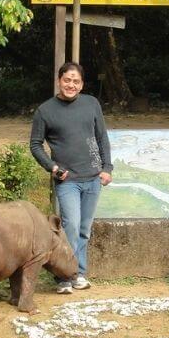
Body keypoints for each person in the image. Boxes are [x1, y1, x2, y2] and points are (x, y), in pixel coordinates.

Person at [30, 62, 113, 294]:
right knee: (71, 226)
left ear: (82, 84)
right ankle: (64, 276)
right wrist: (52, 168)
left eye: (76, 81)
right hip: (67, 180)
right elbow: (35, 145)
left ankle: (79, 273)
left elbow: (102, 137)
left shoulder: (91, 104)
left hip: (93, 178)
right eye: (67, 80)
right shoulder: (45, 111)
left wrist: (107, 167)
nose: (71, 85)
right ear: (59, 81)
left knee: (84, 228)